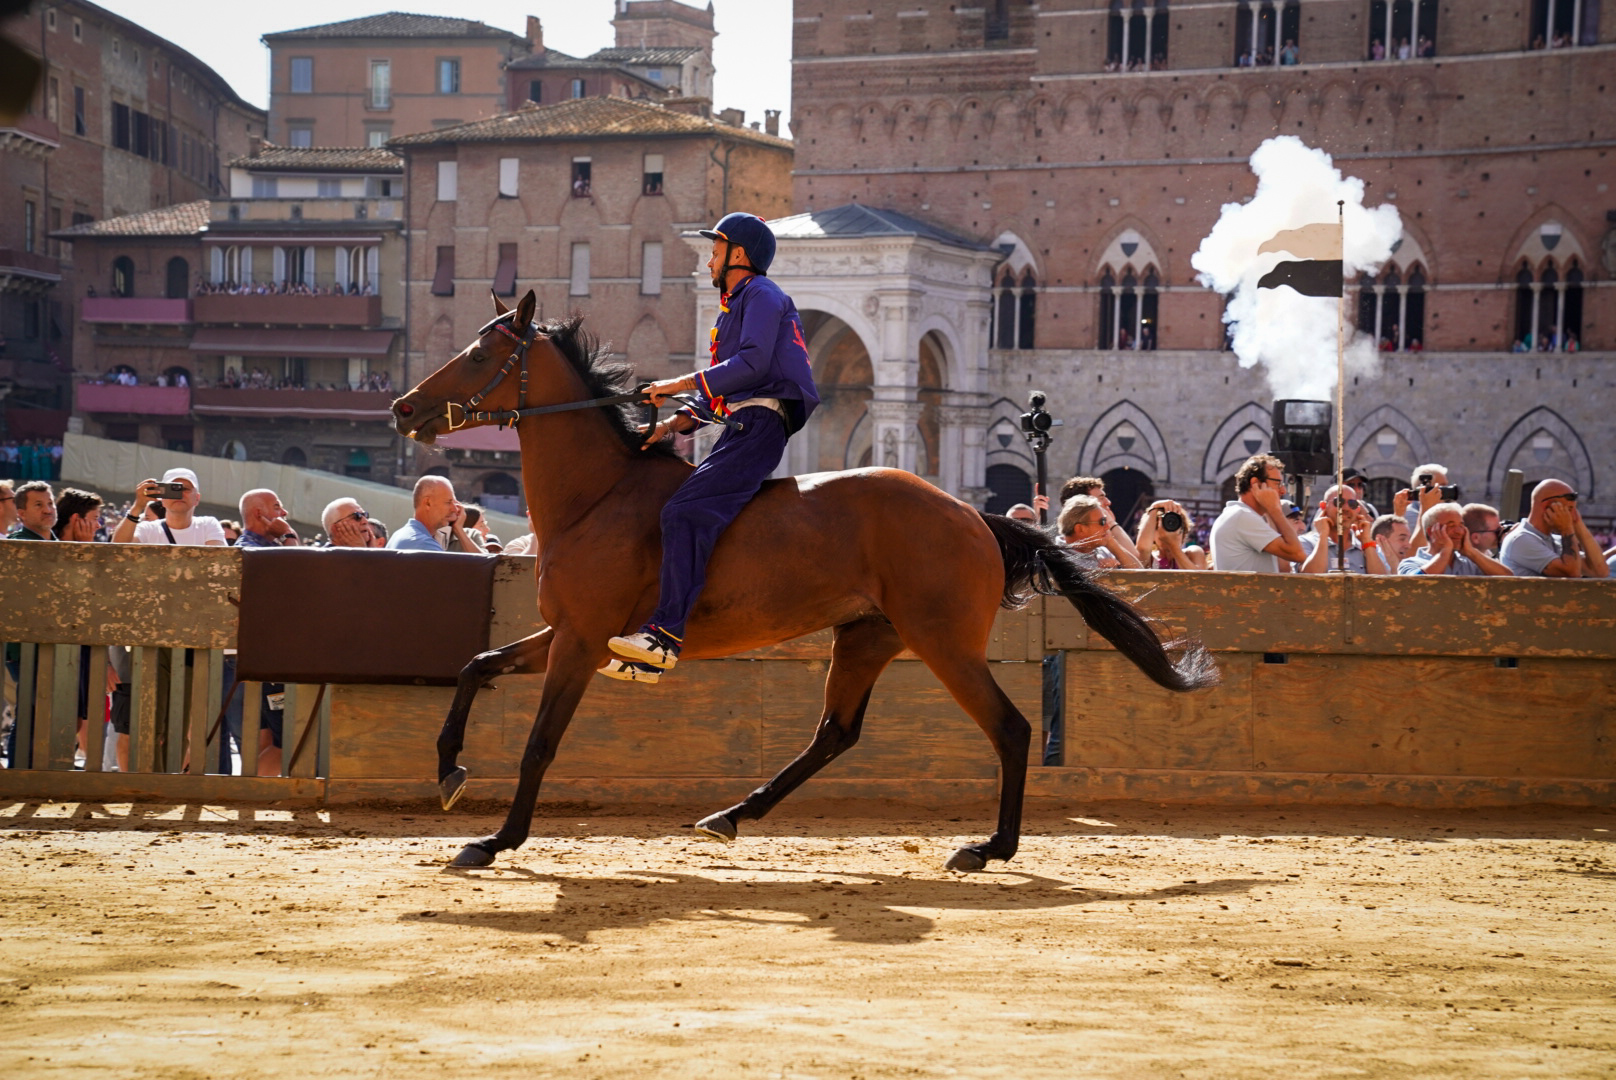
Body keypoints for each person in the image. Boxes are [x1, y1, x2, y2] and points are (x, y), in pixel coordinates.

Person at [606, 212, 820, 677]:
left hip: (760, 424)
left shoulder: (762, 294)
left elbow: (754, 365)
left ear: (738, 255)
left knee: (684, 512)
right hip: (746, 422)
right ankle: (653, 645)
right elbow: (723, 393)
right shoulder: (742, 301)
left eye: (716, 249)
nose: (709, 260)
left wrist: (677, 381)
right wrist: (668, 427)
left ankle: (663, 638)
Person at [1208, 455, 1306, 573]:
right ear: (1256, 483)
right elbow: (1298, 554)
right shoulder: (1243, 517)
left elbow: (1283, 568)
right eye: (1277, 484)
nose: (1283, 491)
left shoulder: (1238, 514)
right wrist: (1275, 511)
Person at [1499, 480, 1611, 579]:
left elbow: (1601, 571)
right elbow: (1571, 574)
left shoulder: (1556, 541)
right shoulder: (1520, 539)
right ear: (1547, 507)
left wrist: (1578, 523)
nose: (1572, 516)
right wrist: (1566, 528)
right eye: (1568, 509)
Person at [112, 468, 226, 546]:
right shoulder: (147, 530)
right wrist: (137, 506)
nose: (180, 494)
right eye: (173, 489)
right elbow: (116, 550)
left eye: (185, 489)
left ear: (197, 498)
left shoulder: (208, 525)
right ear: (162, 498)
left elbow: (217, 560)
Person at [1295, 484, 1390, 574]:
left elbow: (1381, 583)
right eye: (1339, 502)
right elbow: (1310, 578)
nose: (1346, 508)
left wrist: (1366, 541)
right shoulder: (1305, 542)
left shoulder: (1366, 546)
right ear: (1324, 506)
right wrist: (1323, 536)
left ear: (1357, 509)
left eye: (1352, 503)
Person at [1398, 504, 1513, 576]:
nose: (1459, 531)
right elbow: (1415, 582)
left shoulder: (1469, 563)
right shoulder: (1411, 563)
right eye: (1451, 525)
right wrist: (1445, 552)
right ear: (1431, 531)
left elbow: (1509, 578)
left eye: (1461, 525)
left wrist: (1471, 552)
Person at [1057, 474, 1144, 566]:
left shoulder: (1102, 550)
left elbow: (1140, 573)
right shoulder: (1057, 557)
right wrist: (1104, 576)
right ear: (1080, 528)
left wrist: (1111, 542)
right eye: (1102, 522)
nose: (1108, 502)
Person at [387, 475, 474, 552]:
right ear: (428, 503)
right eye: (448, 502)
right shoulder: (424, 544)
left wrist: (458, 529)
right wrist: (460, 531)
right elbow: (483, 568)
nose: (455, 509)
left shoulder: (399, 534)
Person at [1134, 498, 1206, 570]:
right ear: (1152, 534)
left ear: (1183, 532)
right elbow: (1142, 549)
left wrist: (1172, 545)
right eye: (1162, 526)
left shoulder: (1193, 553)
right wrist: (1154, 509)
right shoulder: (1149, 559)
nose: (1169, 530)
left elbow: (1199, 577)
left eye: (1174, 526)